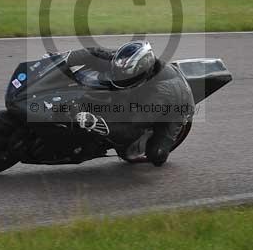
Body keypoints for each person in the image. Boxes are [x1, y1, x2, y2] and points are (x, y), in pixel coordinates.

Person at [65, 40, 194, 166]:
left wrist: (95, 123)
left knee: (153, 155)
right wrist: (63, 58)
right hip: (148, 91)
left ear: (144, 75)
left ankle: (153, 137)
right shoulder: (126, 60)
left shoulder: (160, 95)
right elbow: (94, 53)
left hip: (176, 106)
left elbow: (132, 126)